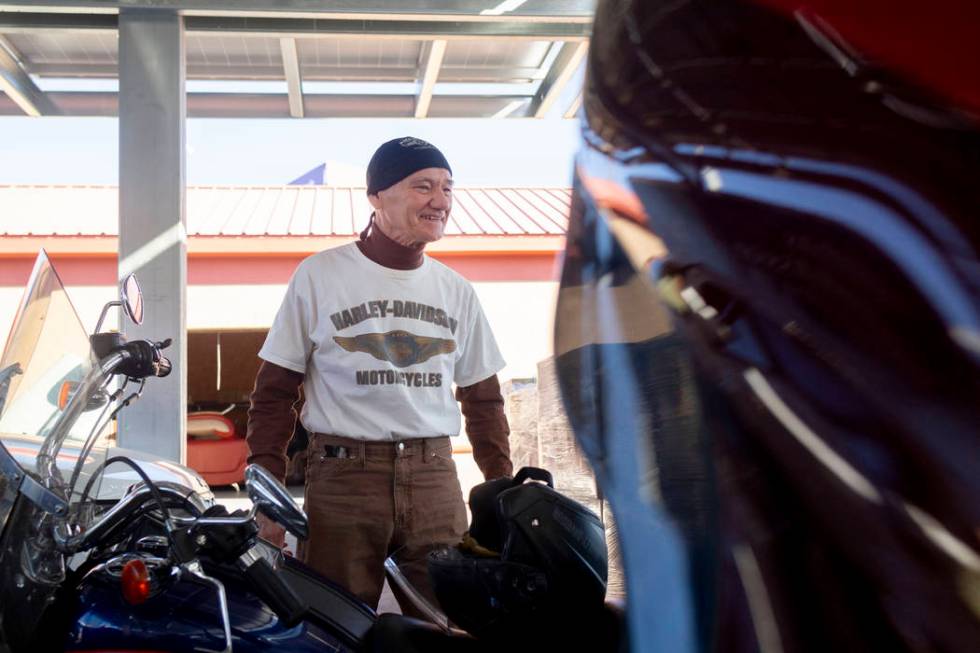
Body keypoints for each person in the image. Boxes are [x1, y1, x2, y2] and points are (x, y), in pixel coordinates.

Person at [245, 136, 513, 613]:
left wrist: (503, 490)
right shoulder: (320, 275)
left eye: (448, 188)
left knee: (447, 626)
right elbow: (272, 394)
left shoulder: (457, 291)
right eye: (423, 186)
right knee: (335, 628)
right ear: (376, 196)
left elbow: (483, 399)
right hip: (344, 481)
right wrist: (270, 499)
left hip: (435, 480)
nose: (441, 201)